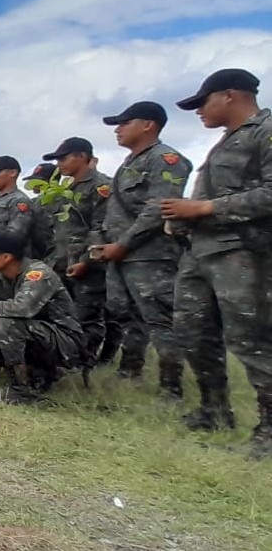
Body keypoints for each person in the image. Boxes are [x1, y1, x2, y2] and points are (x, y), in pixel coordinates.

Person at [161, 69, 272, 458]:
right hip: (200, 253)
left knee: (252, 341)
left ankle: (269, 430)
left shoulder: (265, 130)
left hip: (244, 253)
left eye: (202, 102)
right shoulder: (223, 143)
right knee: (192, 333)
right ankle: (214, 410)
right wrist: (182, 218)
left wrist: (205, 207)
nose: (198, 112)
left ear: (229, 95)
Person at [90, 101, 189, 393]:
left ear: (148, 124)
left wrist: (123, 244)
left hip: (151, 256)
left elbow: (158, 208)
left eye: (124, 122)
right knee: (129, 316)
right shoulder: (130, 162)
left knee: (160, 319)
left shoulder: (166, 159)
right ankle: (130, 370)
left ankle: (172, 387)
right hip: (123, 256)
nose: (118, 130)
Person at [0, 234, 83, 405]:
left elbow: (23, 308)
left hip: (65, 341)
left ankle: (20, 390)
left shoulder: (38, 273)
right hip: (34, 335)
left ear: (6, 257)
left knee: (7, 323)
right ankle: (39, 375)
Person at [40, 137, 114, 374]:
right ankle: (65, 361)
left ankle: (85, 366)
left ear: (82, 156)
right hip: (62, 262)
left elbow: (101, 228)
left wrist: (86, 261)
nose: (59, 164)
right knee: (63, 315)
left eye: (63, 158)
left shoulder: (101, 186)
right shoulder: (66, 190)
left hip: (88, 265)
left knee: (88, 316)